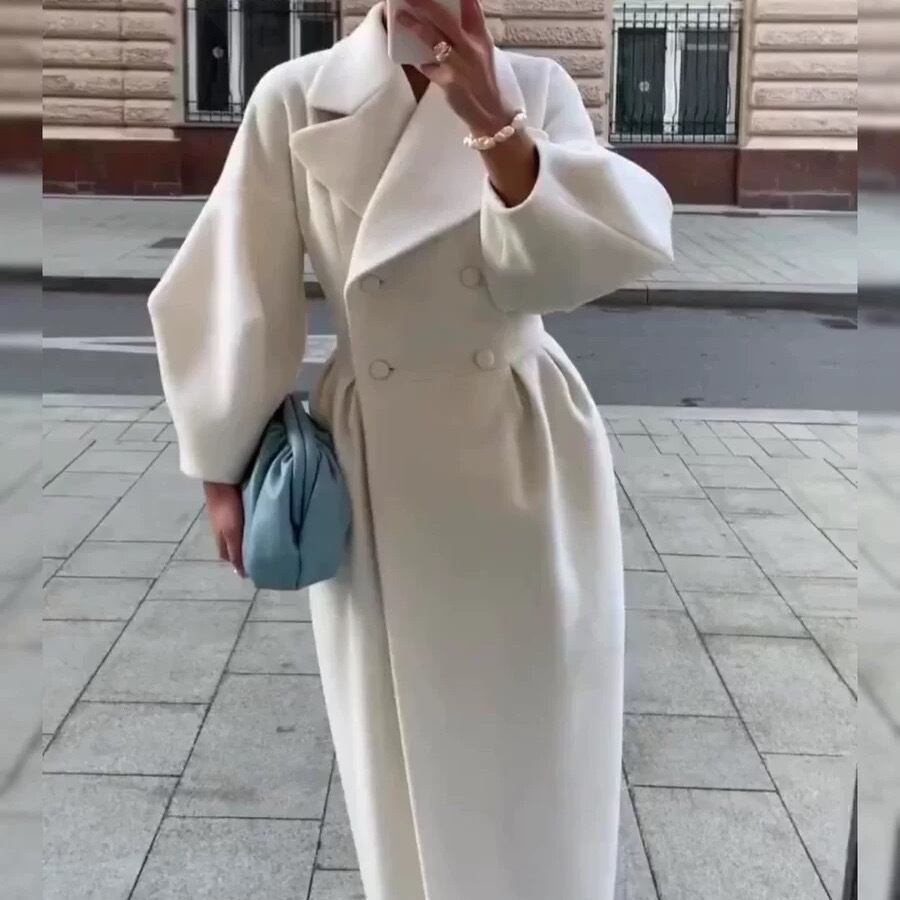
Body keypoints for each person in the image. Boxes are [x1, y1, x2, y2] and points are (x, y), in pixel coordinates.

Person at [148, 0, 673, 897]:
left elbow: (567, 276)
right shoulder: (297, 96)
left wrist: (496, 127)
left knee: (541, 737)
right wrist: (221, 459)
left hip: (523, 448)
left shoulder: (536, 87)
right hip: (377, 465)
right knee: (394, 751)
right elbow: (239, 279)